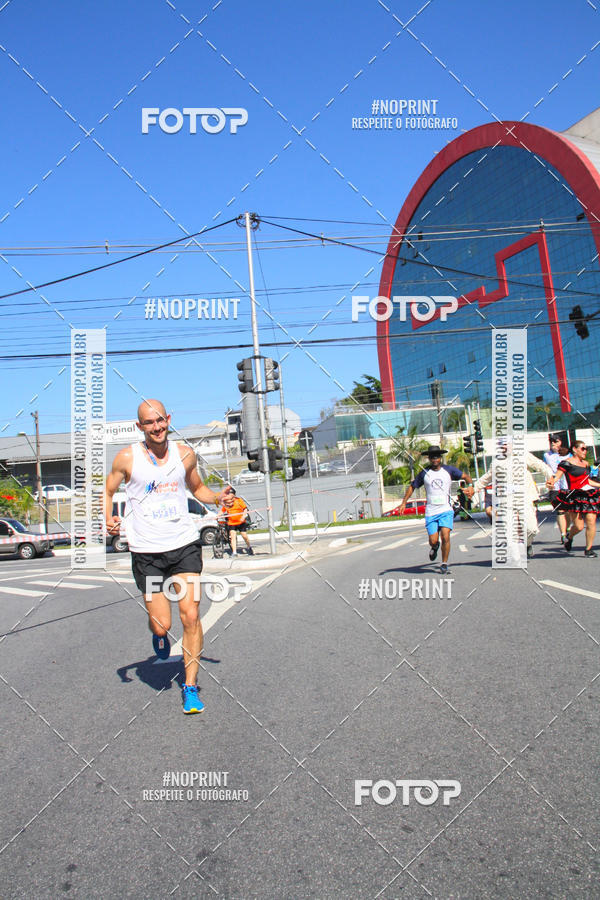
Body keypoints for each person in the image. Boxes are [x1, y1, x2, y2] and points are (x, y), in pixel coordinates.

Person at [105, 399, 234, 714]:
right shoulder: (127, 458)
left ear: (169, 419)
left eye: (160, 420)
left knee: (190, 615)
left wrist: (217, 497)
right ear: (140, 427)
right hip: (147, 552)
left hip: (183, 545)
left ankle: (190, 687)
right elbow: (107, 490)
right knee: (161, 624)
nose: (157, 427)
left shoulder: (185, 455)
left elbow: (198, 488)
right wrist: (107, 518)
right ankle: (159, 637)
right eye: (149, 422)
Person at [396, 446, 474, 575]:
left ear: (440, 458)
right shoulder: (424, 473)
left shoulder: (449, 470)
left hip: (446, 510)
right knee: (433, 540)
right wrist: (403, 502)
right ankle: (435, 546)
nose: (435, 459)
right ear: (429, 459)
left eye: (437, 456)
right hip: (431, 512)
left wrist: (471, 486)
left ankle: (444, 563)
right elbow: (412, 486)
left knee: (445, 536)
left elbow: (466, 477)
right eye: (432, 457)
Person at [474, 450, 552, 558]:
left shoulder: (523, 455)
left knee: (531, 529)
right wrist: (474, 488)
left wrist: (551, 478)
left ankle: (527, 544)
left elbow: (541, 466)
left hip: (525, 497)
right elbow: (488, 477)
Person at [546, 440, 600, 557]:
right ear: (575, 450)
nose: (585, 451)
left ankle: (588, 549)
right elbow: (557, 476)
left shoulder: (585, 464)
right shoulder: (566, 463)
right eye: (583, 449)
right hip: (574, 496)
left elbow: (587, 481)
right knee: (579, 526)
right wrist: (552, 481)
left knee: (591, 521)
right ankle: (569, 538)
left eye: (586, 449)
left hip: (588, 495)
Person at [543, 435, 570, 543]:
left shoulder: (567, 454)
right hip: (554, 486)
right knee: (560, 510)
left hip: (566, 485)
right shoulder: (546, 455)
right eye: (551, 441)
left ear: (560, 442)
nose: (553, 443)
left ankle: (567, 529)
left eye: (555, 441)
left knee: (567, 510)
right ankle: (563, 534)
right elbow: (545, 468)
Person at [220, 488, 253, 555]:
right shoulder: (227, 502)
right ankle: (234, 552)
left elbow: (245, 509)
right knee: (233, 536)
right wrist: (217, 516)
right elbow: (222, 511)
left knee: (244, 536)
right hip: (232, 522)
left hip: (240, 522)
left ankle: (249, 547)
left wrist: (243, 516)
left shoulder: (239, 501)